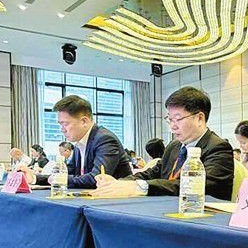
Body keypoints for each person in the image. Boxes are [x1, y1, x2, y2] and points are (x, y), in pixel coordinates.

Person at [94, 86, 234, 200]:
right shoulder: (174, 146)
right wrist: (118, 183)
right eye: (170, 120)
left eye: (178, 119)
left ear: (200, 118)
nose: (172, 126)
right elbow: (151, 174)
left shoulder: (218, 148)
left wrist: (139, 187)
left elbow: (196, 187)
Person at [21, 95, 132, 188]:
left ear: (84, 121)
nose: (62, 129)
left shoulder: (105, 139)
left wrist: (61, 179)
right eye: (60, 124)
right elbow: (67, 173)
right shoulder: (81, 142)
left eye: (65, 124)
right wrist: (34, 178)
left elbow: (97, 178)